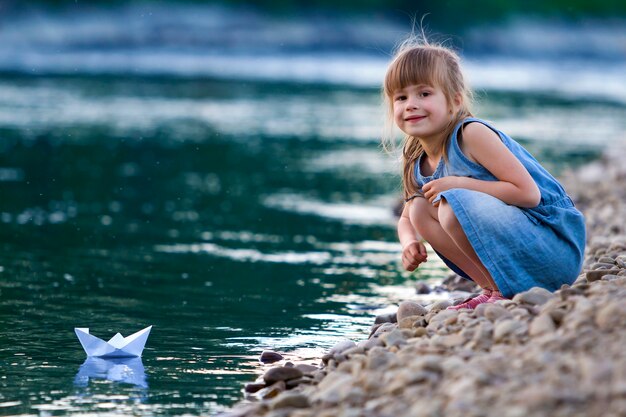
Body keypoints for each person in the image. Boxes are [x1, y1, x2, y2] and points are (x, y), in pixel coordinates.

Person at [382, 37, 586, 310]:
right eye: (401, 97)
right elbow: (408, 217)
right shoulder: (415, 157)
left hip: (553, 249)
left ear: (454, 101)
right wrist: (408, 244)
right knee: (419, 207)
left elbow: (528, 194)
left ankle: (501, 288)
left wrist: (459, 184)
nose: (410, 104)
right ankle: (494, 289)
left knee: (450, 205)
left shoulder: (471, 134)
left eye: (424, 94)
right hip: (513, 256)